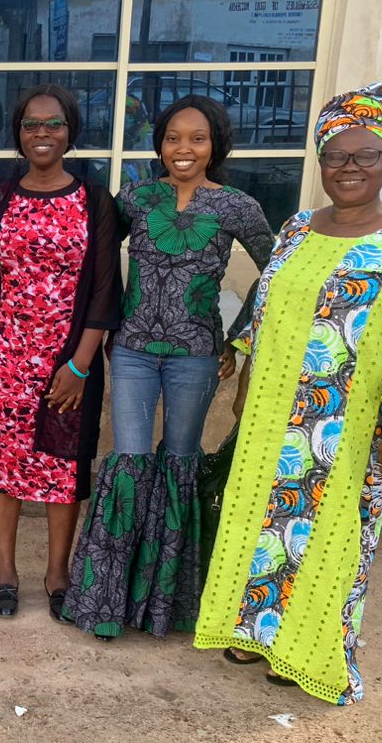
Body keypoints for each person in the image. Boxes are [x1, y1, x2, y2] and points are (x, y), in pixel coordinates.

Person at [195, 83, 382, 704]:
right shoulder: (296, 229)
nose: (349, 168)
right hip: (269, 417)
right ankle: (254, 630)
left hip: (345, 424)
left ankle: (304, 649)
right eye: (336, 155)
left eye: (365, 156)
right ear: (320, 160)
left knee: (327, 536)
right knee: (259, 526)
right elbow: (263, 317)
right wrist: (244, 390)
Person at [62, 95, 274, 640]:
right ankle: (108, 604)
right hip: (131, 351)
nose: (184, 148)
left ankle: (166, 604)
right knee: (130, 462)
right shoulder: (135, 198)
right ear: (160, 143)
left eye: (197, 139)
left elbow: (277, 275)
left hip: (196, 356)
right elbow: (100, 263)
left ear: (215, 145)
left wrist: (239, 336)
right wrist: (100, 325)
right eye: (174, 137)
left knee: (180, 463)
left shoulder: (236, 208)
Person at [0, 84, 121, 620]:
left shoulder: (94, 200)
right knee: (4, 462)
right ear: (18, 134)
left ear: (71, 132)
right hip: (6, 358)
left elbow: (104, 290)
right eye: (31, 125)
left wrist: (80, 365)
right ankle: (4, 568)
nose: (42, 134)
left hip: (69, 361)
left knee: (63, 464)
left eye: (53, 124)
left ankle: (57, 572)